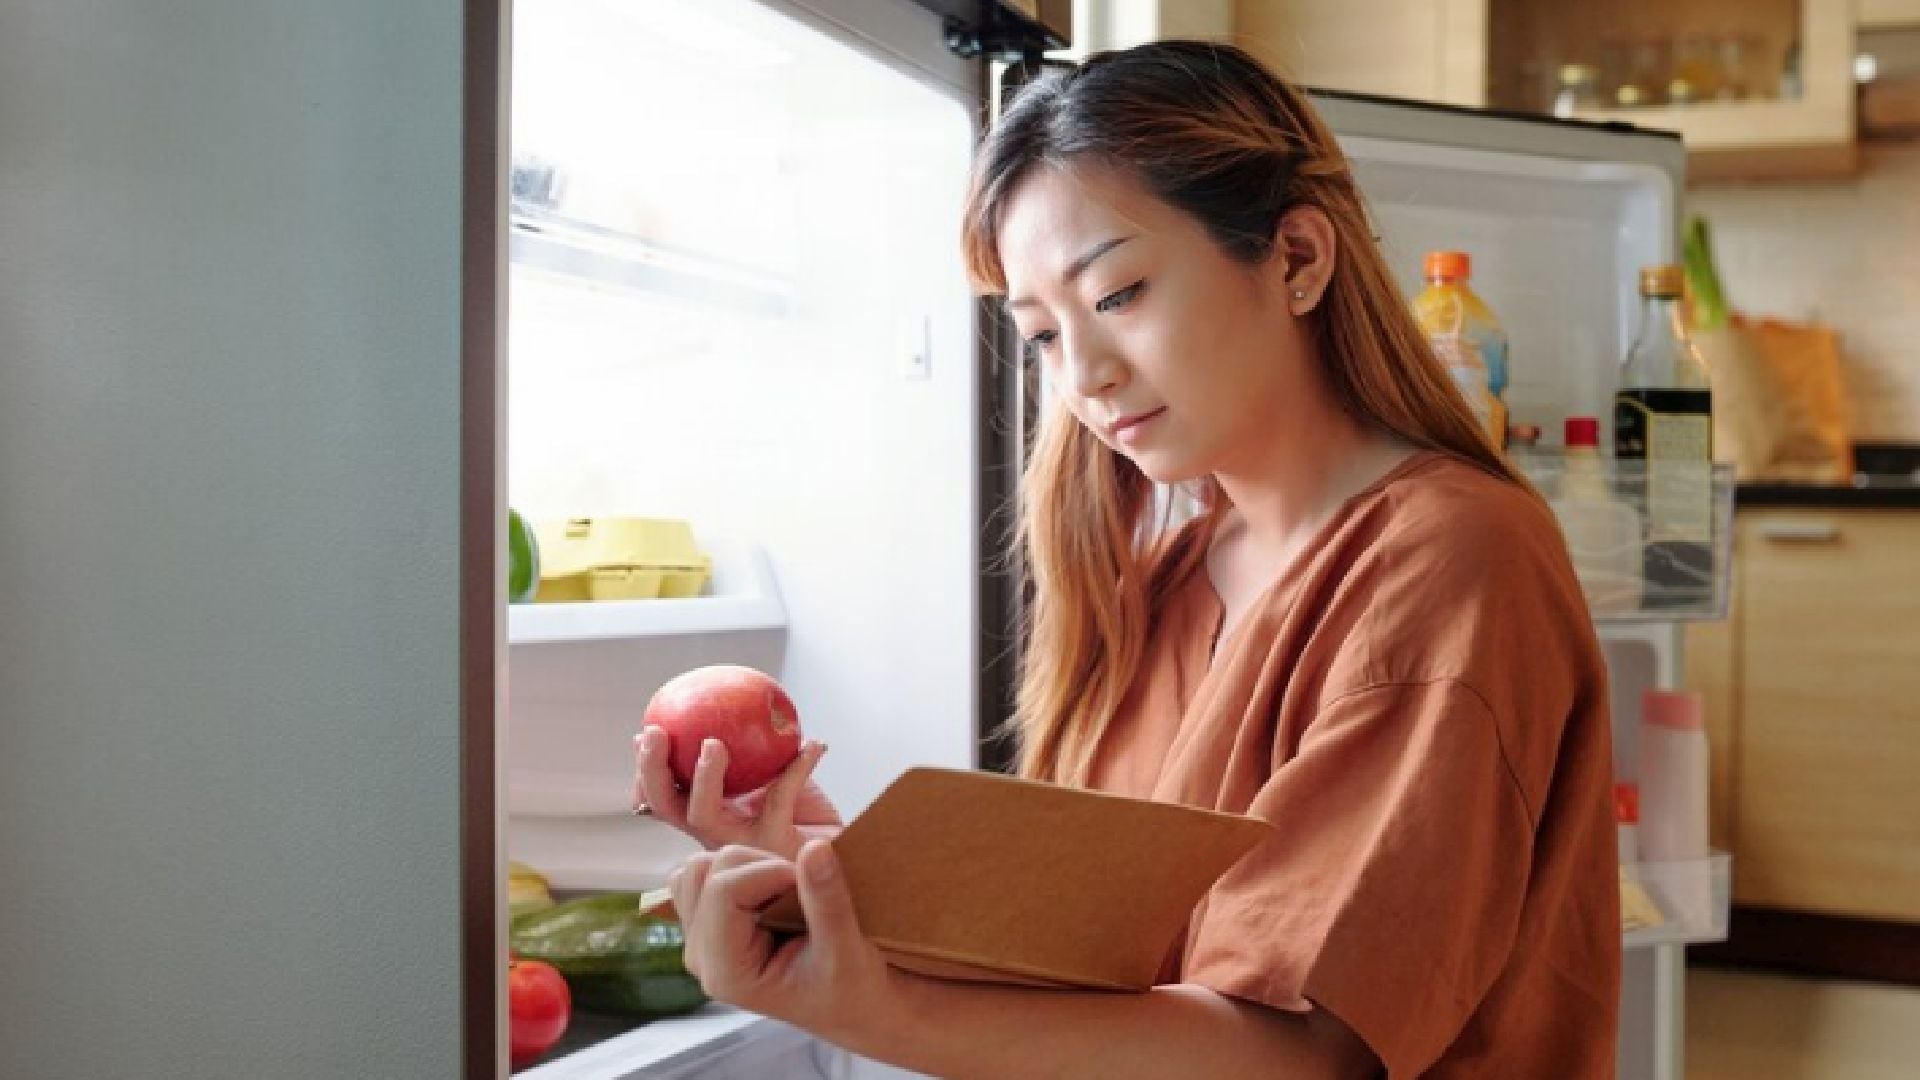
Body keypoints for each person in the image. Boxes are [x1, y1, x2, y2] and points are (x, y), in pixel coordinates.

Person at [632, 40, 1619, 1079]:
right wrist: (840, 887)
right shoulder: (1169, 579)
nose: (1086, 377)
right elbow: (1104, 975)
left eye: (1117, 295)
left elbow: (1309, 1054)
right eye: (1044, 335)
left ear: (1296, 260)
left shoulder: (1452, 558)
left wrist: (877, 1013)